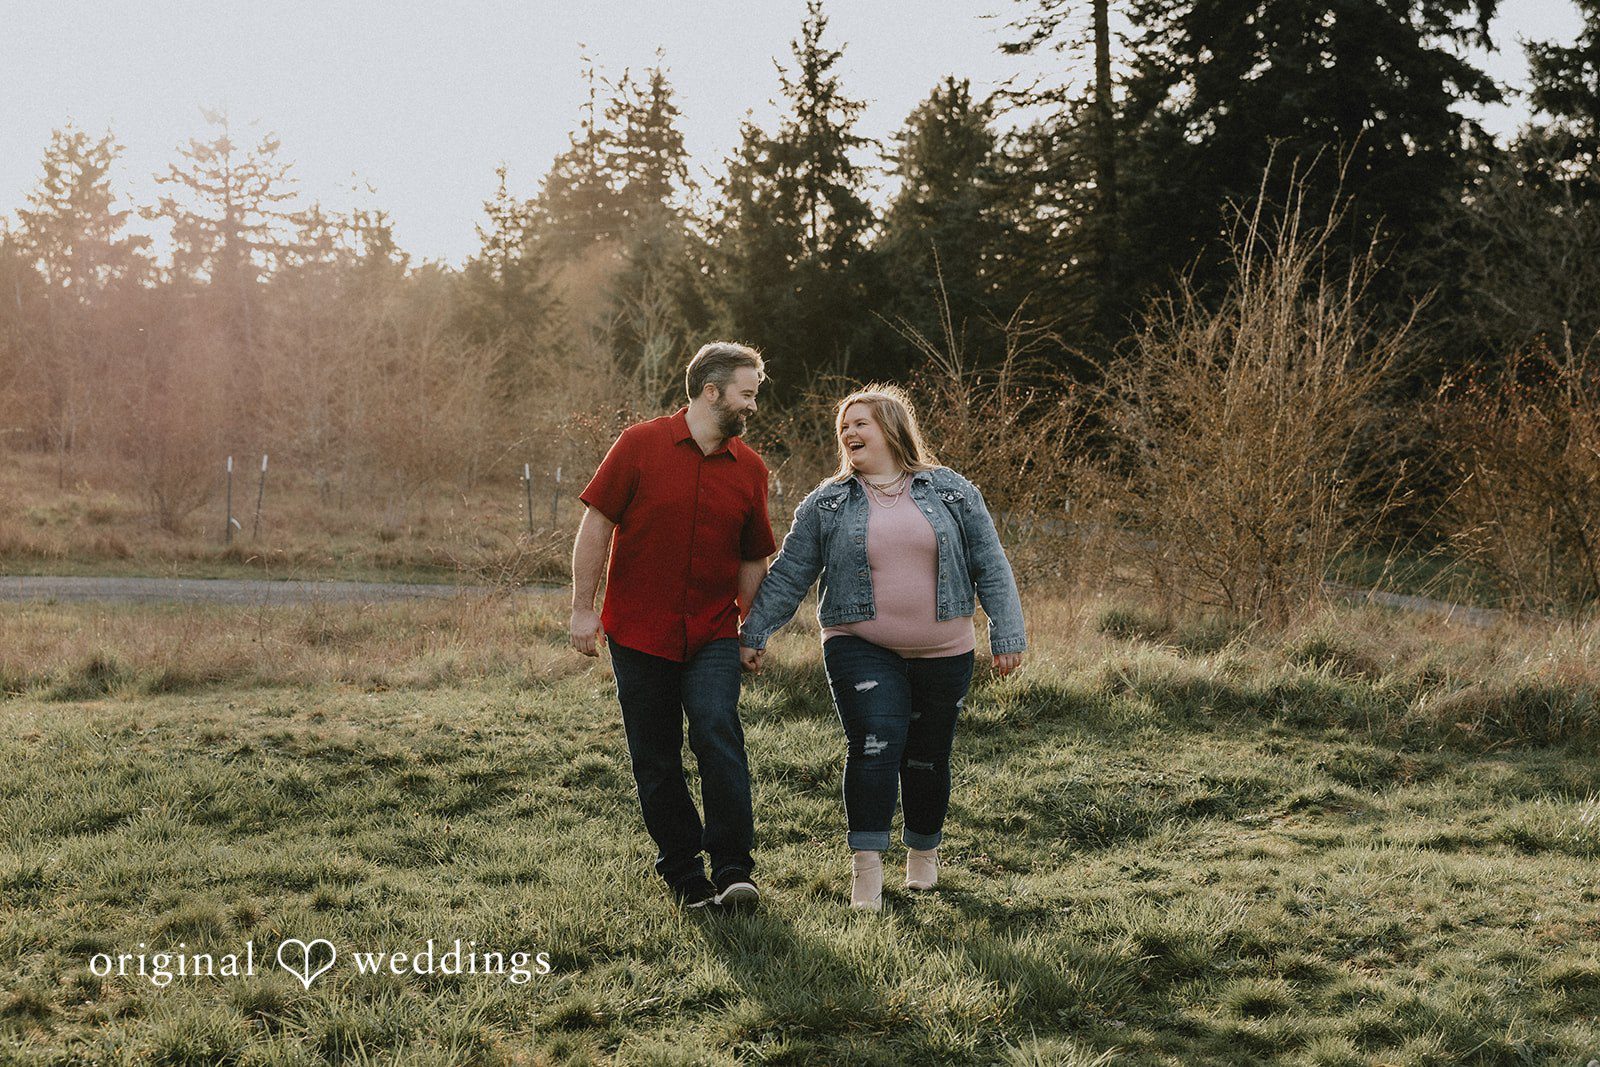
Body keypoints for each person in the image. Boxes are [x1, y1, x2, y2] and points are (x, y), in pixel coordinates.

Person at [739, 385, 1026, 911]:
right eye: (844, 427)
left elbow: (990, 562)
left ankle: (923, 854)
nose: (848, 432)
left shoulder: (952, 491)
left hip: (946, 647)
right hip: (859, 644)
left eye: (860, 423)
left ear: (892, 429)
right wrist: (754, 633)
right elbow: (790, 575)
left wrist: (1006, 633)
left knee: (928, 757)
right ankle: (867, 871)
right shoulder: (826, 503)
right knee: (874, 743)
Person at [570, 342, 775, 910]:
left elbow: (753, 556)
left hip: (713, 632)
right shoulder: (639, 445)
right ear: (712, 392)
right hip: (639, 633)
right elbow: (597, 523)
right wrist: (583, 607)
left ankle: (733, 869)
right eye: (746, 394)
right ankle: (685, 874)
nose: (753, 406)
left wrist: (751, 630)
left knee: (717, 733)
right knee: (656, 756)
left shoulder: (751, 469)